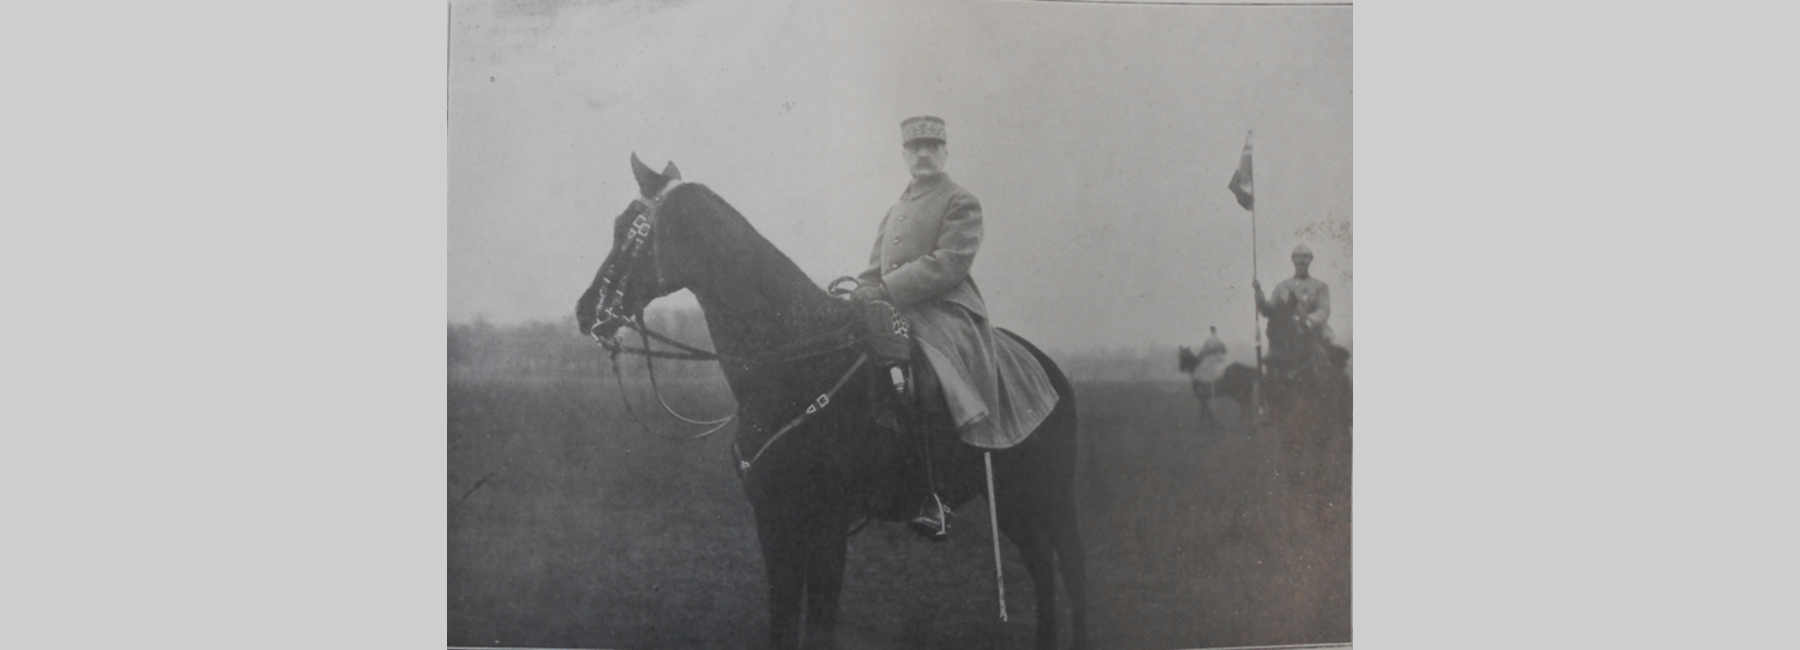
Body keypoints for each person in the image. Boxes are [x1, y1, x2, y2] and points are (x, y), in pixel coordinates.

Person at [848, 116, 1059, 540]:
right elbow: (874, 270)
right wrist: (858, 294)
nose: (923, 154)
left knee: (928, 376)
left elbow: (950, 263)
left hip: (947, 310)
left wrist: (886, 289)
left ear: (945, 152)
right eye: (915, 148)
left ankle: (937, 494)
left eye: (931, 146)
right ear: (905, 155)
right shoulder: (894, 211)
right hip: (898, 309)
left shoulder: (960, 201)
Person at [1254, 243, 1334, 343]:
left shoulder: (1320, 286)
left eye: (1305, 257)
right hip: (1287, 334)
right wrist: (1258, 293)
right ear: (1292, 259)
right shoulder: (1282, 286)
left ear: (1311, 259)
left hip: (1315, 332)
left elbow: (1324, 310)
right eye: (1297, 257)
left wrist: (1308, 321)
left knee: (1336, 353)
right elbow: (1269, 310)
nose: (1301, 260)